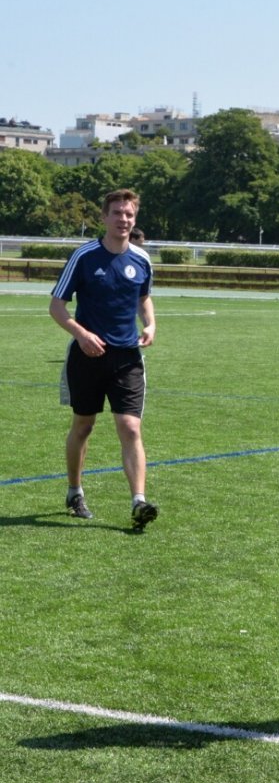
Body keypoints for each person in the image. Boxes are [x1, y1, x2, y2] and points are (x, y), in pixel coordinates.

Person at [50, 188, 159, 532]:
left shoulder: (141, 260)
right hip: (87, 358)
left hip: (127, 358)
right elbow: (56, 307)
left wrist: (151, 323)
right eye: (117, 213)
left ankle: (138, 502)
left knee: (130, 427)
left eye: (128, 214)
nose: (123, 219)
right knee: (84, 425)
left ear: (134, 218)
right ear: (104, 217)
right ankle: (74, 491)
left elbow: (144, 297)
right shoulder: (84, 257)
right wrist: (81, 335)